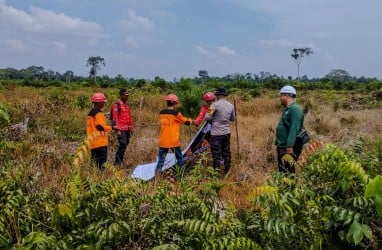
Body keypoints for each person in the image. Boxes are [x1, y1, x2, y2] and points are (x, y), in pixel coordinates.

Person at [155, 94, 194, 175]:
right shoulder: (176, 113)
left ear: (167, 102)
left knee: (161, 160)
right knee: (179, 158)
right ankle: (181, 175)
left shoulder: (161, 113)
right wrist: (191, 120)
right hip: (173, 141)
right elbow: (185, 121)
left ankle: (157, 176)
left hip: (163, 141)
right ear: (175, 103)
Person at [205, 87, 236, 176]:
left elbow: (207, 117)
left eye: (217, 95)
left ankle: (215, 174)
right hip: (226, 132)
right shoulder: (231, 106)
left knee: (216, 153)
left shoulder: (214, 105)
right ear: (225, 95)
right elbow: (233, 119)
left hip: (216, 134)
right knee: (226, 152)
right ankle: (227, 171)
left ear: (219, 95)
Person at [275, 85, 304, 173]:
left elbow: (294, 128)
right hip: (283, 146)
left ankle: (289, 187)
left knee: (288, 171)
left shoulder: (295, 109)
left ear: (286, 96)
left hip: (288, 147)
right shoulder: (288, 109)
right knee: (283, 170)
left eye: (281, 95)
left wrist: (290, 146)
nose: (280, 98)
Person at [86, 92, 113, 170]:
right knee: (101, 164)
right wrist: (112, 128)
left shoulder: (91, 113)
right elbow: (100, 126)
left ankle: (92, 178)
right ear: (98, 103)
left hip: (93, 141)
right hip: (100, 142)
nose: (104, 103)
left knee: (94, 163)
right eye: (103, 102)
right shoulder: (98, 113)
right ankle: (99, 179)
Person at [111, 88, 134, 166]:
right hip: (121, 129)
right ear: (121, 95)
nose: (127, 97)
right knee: (123, 144)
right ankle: (117, 162)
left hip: (127, 128)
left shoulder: (127, 104)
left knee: (126, 143)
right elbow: (115, 118)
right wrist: (118, 130)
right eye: (125, 95)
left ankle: (120, 160)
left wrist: (131, 127)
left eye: (127, 95)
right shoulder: (116, 105)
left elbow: (129, 116)